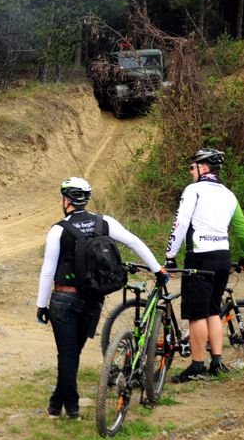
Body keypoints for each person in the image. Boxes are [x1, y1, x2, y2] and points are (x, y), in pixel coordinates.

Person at [36, 177, 166, 419]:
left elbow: (48, 270)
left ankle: (70, 407)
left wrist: (41, 304)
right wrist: (157, 269)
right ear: (85, 199)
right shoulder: (104, 222)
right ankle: (57, 403)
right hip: (92, 300)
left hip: (63, 300)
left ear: (66, 201)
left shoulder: (58, 230)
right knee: (74, 353)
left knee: (67, 354)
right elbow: (135, 242)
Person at [165, 148, 244, 382]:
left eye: (192, 167)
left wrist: (170, 255)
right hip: (222, 257)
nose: (190, 172)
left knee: (196, 314)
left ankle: (196, 366)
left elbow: (181, 222)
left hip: (200, 257)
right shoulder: (228, 194)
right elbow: (242, 229)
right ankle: (216, 362)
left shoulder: (193, 190)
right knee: (213, 310)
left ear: (204, 168)